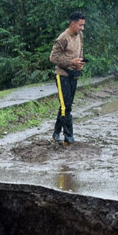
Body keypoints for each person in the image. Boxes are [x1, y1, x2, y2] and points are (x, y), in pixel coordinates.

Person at [49, 12, 87, 144]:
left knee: (66, 104)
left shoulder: (80, 35)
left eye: (83, 25)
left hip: (74, 74)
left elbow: (80, 51)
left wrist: (80, 63)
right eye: (80, 25)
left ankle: (56, 132)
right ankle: (69, 137)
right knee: (66, 107)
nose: (82, 28)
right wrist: (72, 62)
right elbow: (53, 57)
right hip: (62, 75)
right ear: (73, 23)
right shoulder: (63, 38)